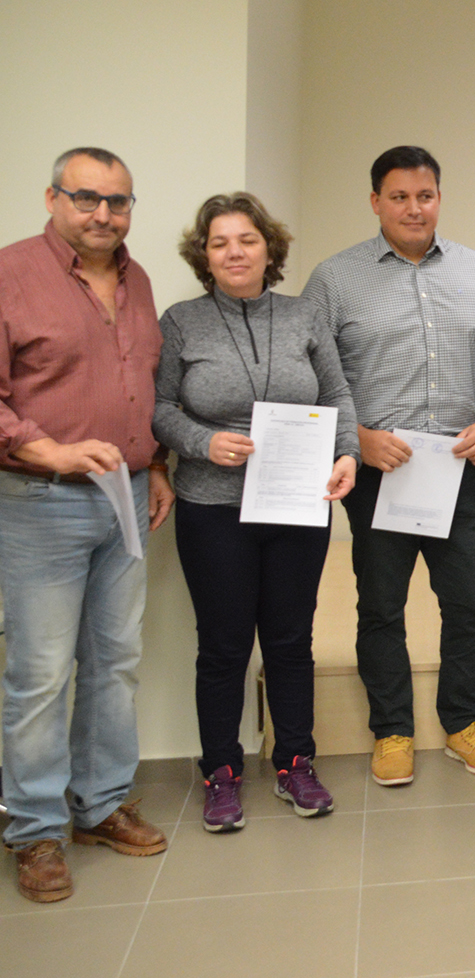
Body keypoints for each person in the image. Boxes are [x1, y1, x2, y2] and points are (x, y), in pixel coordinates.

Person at [303, 146, 475, 786]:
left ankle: (465, 723)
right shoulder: (333, 280)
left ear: (439, 198)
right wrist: (357, 439)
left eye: (425, 196)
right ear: (376, 202)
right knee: (381, 607)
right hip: (379, 473)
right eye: (399, 197)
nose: (414, 208)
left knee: (469, 602)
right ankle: (392, 731)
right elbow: (307, 376)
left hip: (455, 468)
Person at [153, 193, 359, 829]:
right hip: (213, 506)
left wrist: (347, 454)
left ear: (269, 248)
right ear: (204, 256)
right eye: (220, 243)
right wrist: (201, 442)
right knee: (223, 645)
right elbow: (158, 409)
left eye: (246, 239)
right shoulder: (181, 321)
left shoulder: (304, 316)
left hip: (298, 501)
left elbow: (337, 392)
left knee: (291, 640)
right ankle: (221, 772)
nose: (234, 252)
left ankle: (295, 761)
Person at [1, 147, 174, 902]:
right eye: (86, 198)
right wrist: (51, 451)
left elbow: (143, 386)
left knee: (114, 661)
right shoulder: (11, 274)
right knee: (41, 674)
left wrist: (155, 464)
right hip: (41, 501)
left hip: (126, 497)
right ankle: (34, 831)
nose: (104, 214)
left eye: (118, 201)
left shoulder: (138, 280)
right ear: (53, 199)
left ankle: (99, 805)